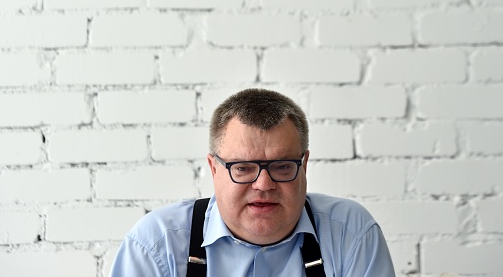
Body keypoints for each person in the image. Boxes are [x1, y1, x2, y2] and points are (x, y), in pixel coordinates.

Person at [109, 88, 395, 276]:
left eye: (282, 166)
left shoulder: (351, 235)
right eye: (243, 168)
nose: (264, 184)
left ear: (304, 165)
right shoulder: (157, 245)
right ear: (214, 169)